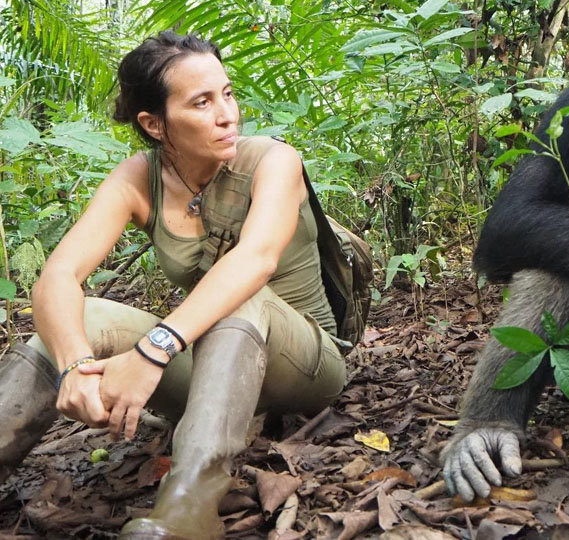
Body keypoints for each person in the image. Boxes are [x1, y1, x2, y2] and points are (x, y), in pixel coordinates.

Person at [0, 32, 348, 539]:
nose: (227, 114)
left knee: (240, 289)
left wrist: (152, 350)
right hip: (215, 374)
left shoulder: (274, 160)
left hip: (305, 362)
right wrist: (74, 362)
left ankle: (189, 505)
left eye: (227, 94)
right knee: (87, 315)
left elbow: (254, 261)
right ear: (154, 123)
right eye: (202, 102)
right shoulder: (139, 179)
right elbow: (58, 276)